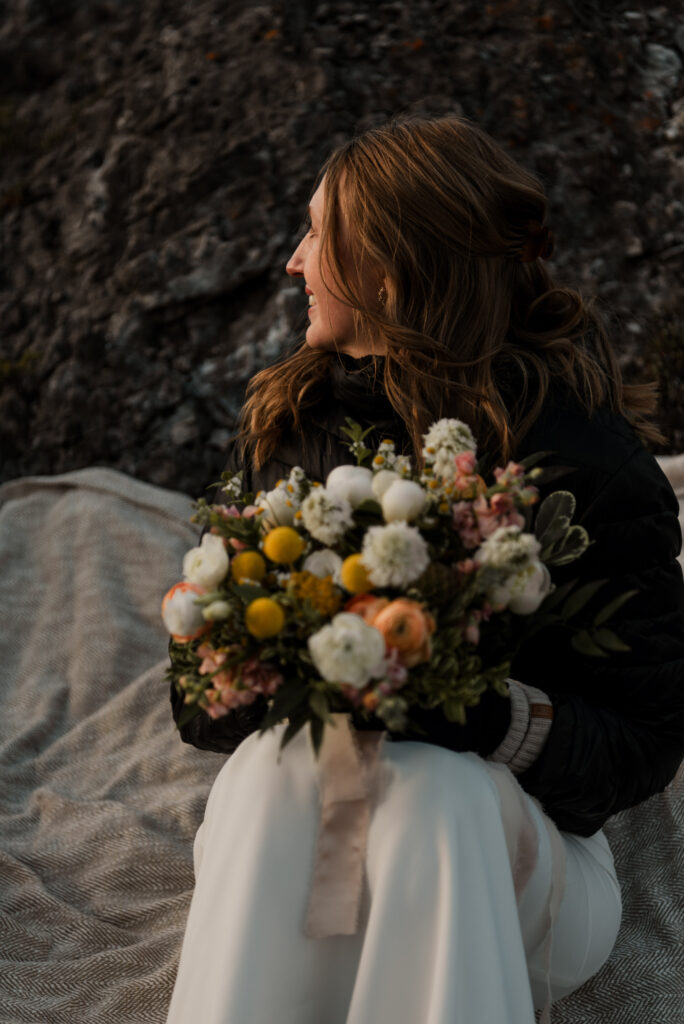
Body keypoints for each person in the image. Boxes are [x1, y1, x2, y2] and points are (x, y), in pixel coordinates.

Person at [166, 116, 684, 1024]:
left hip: (519, 864)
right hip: (307, 827)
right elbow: (193, 700)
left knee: (437, 791)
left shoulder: (583, 463)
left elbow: (642, 742)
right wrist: (280, 659)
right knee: (277, 760)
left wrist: (477, 714)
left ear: (390, 270)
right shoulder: (297, 427)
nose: (292, 263)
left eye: (317, 235)